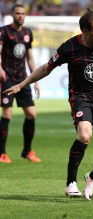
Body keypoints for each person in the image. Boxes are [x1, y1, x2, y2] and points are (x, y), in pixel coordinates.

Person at [4, 8, 93, 198]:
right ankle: (71, 183)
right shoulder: (70, 47)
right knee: (84, 135)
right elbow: (46, 68)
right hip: (80, 98)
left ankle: (92, 177)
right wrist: (23, 84)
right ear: (85, 30)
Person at [0, 4, 41, 163]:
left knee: (31, 114)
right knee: (7, 113)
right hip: (7, 79)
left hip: (22, 79)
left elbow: (29, 57)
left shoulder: (27, 33)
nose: (21, 16)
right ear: (12, 14)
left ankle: (27, 151)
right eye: (17, 13)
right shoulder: (4, 31)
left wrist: (35, 79)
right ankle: (2, 153)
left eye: (23, 13)